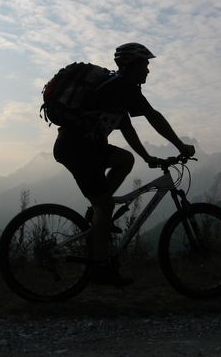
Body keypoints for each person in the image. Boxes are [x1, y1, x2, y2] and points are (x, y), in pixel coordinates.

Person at [53, 43, 195, 286]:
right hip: (78, 149)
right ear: (132, 65)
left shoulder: (117, 89)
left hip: (83, 146)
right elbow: (153, 117)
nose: (148, 70)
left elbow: (127, 129)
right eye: (145, 64)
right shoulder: (122, 87)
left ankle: (98, 213)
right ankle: (100, 269)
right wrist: (181, 146)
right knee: (105, 205)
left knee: (125, 159)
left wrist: (147, 157)